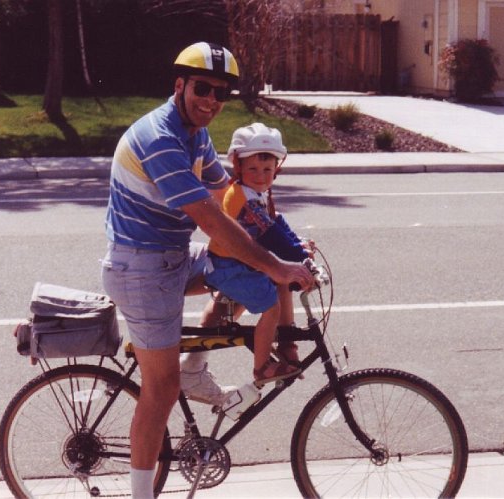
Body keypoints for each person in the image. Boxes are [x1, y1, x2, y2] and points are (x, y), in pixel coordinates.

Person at [101, 42, 313, 499]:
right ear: (179, 86)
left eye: (222, 93)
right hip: (142, 268)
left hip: (171, 256)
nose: (212, 100)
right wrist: (276, 264)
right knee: (161, 387)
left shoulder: (194, 132)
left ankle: (197, 367)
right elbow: (212, 217)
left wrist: (285, 247)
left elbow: (229, 194)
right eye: (203, 88)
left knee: (245, 271)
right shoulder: (161, 139)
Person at [204, 123, 311, 386]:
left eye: (268, 169)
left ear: (277, 168)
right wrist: (297, 255)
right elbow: (269, 233)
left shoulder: (256, 192)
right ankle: (261, 368)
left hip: (241, 261)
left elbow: (276, 222)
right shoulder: (244, 199)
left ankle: (286, 342)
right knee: (271, 308)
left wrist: (299, 246)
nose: (261, 175)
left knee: (282, 281)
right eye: (252, 169)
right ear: (238, 167)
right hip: (230, 265)